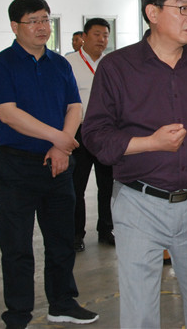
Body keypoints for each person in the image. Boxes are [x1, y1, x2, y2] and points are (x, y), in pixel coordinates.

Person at [81, 0, 187, 328]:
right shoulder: (117, 67)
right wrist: (151, 143)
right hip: (139, 204)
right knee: (140, 314)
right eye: (183, 8)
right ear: (152, 12)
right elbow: (95, 135)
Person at [0, 0, 99, 328]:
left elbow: (74, 107)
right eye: (33, 21)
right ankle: (18, 313)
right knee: (17, 244)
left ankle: (62, 302)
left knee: (61, 239)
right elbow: (8, 114)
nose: (42, 27)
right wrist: (58, 139)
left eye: (46, 20)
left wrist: (62, 148)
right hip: (15, 165)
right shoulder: (1, 64)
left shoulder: (59, 64)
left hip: (58, 165)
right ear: (15, 26)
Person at [65, 18, 114, 251]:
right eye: (96, 34)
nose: (102, 40)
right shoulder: (69, 63)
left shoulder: (111, 64)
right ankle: (76, 234)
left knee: (107, 185)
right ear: (84, 37)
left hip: (105, 132)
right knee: (77, 185)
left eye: (105, 35)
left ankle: (106, 229)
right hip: (79, 131)